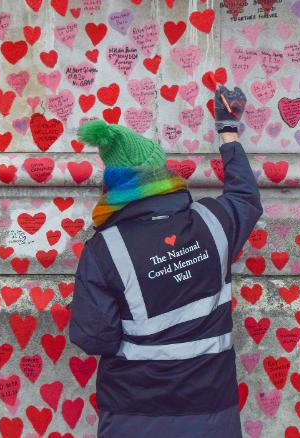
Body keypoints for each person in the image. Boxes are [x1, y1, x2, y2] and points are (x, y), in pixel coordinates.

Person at [68, 86, 262, 437]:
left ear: (114, 188)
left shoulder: (103, 249)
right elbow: (245, 198)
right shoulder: (212, 220)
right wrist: (227, 131)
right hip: (213, 413)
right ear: (161, 174)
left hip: (133, 416)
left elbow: (94, 337)